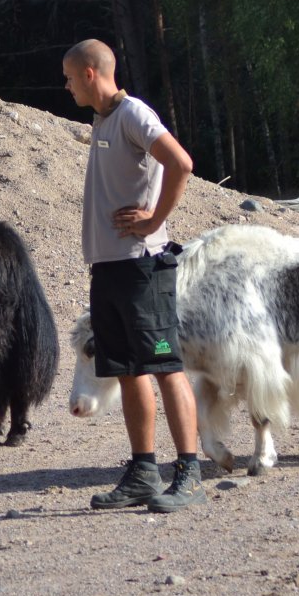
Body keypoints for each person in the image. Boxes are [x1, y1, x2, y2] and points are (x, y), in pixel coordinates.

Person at [63, 38, 204, 513]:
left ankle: (189, 473)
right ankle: (144, 472)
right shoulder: (103, 120)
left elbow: (180, 162)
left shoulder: (134, 113)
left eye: (68, 77)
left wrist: (153, 220)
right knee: (128, 371)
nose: (65, 86)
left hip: (143, 265)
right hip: (108, 269)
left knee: (166, 368)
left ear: (89, 74)